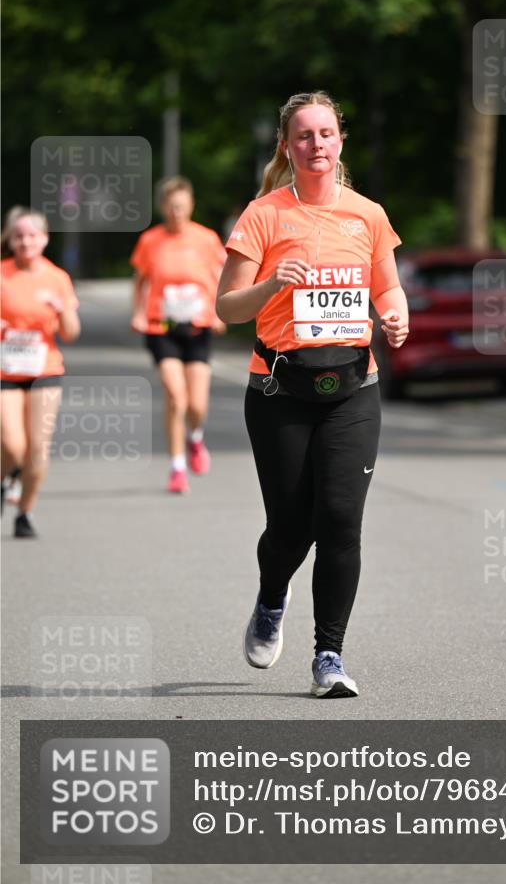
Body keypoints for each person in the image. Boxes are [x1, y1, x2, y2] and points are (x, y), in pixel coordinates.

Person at [216, 91, 409, 698]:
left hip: (354, 387)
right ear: (287, 146)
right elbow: (226, 307)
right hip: (279, 388)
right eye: (304, 136)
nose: (316, 144)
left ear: (340, 141)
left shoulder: (367, 215)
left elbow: (390, 292)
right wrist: (274, 282)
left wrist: (397, 317)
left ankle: (329, 655)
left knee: (342, 521)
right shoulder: (264, 214)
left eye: (326, 133)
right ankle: (272, 598)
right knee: (291, 527)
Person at [130, 177, 227, 494]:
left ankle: (195, 438)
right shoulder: (151, 241)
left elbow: (221, 278)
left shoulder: (207, 239)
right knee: (176, 396)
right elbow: (141, 280)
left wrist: (218, 313)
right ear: (162, 208)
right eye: (172, 207)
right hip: (163, 327)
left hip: (198, 327)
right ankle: (177, 467)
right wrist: (138, 312)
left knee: (196, 405)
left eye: (182, 207)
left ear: (191, 205)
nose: (177, 213)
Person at [1, 207, 80, 537]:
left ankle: (25, 512)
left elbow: (72, 333)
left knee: (38, 449)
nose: (26, 241)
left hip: (44, 368)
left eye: (32, 235)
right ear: (10, 239)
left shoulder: (57, 278)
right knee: (12, 445)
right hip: (5, 369)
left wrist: (62, 312)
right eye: (19, 236)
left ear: (44, 239)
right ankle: (7, 477)